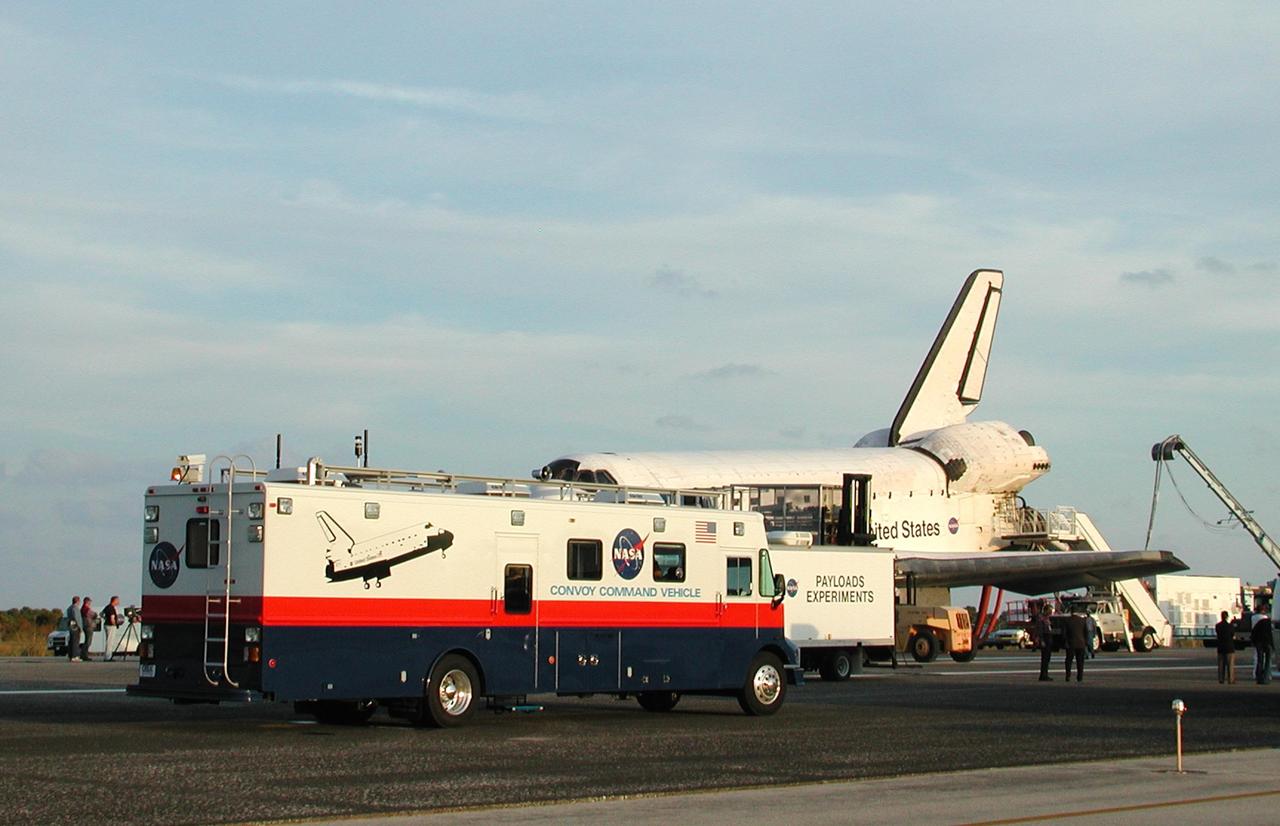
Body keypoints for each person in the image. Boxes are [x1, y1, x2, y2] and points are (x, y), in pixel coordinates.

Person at [1251, 605, 1274, 685]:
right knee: (1267, 660)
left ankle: (1257, 675)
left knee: (1258, 659)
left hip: (1258, 641)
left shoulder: (1253, 618)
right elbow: (1270, 632)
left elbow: (1254, 631)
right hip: (1266, 641)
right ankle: (1267, 676)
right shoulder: (1265, 619)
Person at [1063, 610, 1088, 682]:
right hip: (1081, 643)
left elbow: (1064, 634)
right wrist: (1085, 641)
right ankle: (1080, 677)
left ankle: (1068, 676)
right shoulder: (1082, 620)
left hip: (1071, 643)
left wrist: (1065, 641)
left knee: (1069, 661)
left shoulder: (1067, 621)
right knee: (1080, 662)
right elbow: (1086, 632)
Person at [1214, 610, 1236, 684]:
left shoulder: (1218, 626)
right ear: (1227, 617)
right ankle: (1230, 679)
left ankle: (1221, 679)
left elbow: (1217, 633)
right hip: (1229, 646)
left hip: (1220, 646)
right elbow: (1232, 634)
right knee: (1230, 665)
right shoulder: (1230, 626)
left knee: (1221, 665)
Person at [1033, 605, 1054, 681]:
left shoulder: (1047, 619)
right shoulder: (1041, 619)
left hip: (1048, 639)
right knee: (1045, 659)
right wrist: (1041, 640)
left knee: (1047, 658)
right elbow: (1040, 631)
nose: (1051, 612)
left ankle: (1045, 674)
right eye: (1050, 611)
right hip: (1045, 639)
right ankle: (1043, 675)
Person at [101, 596, 122, 661]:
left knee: (108, 641)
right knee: (110, 642)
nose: (118, 602)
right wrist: (115, 624)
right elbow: (112, 618)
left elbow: (101, 614)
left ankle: (108, 656)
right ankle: (108, 657)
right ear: (114, 600)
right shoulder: (111, 608)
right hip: (111, 626)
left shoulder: (107, 607)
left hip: (106, 625)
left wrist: (105, 619)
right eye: (118, 601)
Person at [80, 597, 98, 661]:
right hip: (88, 626)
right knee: (88, 641)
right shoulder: (86, 609)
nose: (90, 603)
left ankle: (83, 654)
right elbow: (94, 615)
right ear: (87, 602)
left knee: (87, 641)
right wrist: (95, 614)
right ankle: (84, 655)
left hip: (86, 626)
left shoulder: (82, 609)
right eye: (89, 602)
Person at [65, 596, 82, 662]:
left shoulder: (69, 608)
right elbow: (77, 618)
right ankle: (75, 656)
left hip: (70, 625)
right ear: (77, 601)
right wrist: (80, 627)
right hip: (75, 626)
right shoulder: (75, 608)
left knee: (71, 641)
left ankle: (71, 655)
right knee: (75, 641)